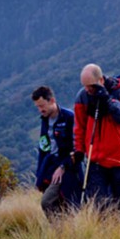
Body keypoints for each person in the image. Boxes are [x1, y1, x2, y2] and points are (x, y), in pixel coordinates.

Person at [74, 64, 120, 207]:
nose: (87, 90)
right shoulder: (83, 97)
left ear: (101, 80)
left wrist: (109, 102)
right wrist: (79, 150)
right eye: (84, 86)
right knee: (98, 205)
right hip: (96, 159)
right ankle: (102, 229)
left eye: (91, 86)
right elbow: (79, 126)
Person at [31, 85, 79, 215]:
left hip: (69, 168)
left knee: (48, 202)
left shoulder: (69, 118)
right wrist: (39, 175)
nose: (40, 110)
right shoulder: (45, 121)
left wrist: (63, 166)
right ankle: (61, 231)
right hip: (50, 166)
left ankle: (61, 230)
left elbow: (78, 147)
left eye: (42, 106)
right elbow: (43, 148)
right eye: (37, 107)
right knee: (56, 203)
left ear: (52, 100)